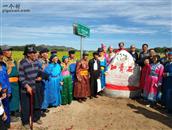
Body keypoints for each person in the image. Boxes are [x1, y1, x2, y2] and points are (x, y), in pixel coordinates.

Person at [19, 45, 43, 129]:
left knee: (35, 104)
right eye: (31, 53)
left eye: (34, 52)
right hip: (25, 89)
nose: (33, 54)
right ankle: (25, 122)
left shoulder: (36, 62)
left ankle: (35, 118)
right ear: (27, 54)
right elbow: (21, 77)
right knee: (26, 107)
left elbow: (40, 71)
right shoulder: (23, 63)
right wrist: (27, 86)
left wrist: (41, 77)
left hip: (35, 88)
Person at [2, 46, 20, 122]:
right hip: (8, 83)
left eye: (10, 51)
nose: (10, 52)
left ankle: (14, 112)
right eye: (8, 51)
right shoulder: (2, 62)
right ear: (3, 52)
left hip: (16, 83)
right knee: (9, 100)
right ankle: (9, 115)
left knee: (15, 98)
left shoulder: (13, 61)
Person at [0, 48, 11, 129]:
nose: (1, 57)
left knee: (6, 108)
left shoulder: (3, 65)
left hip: (6, 91)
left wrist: (9, 90)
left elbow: (7, 79)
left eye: (1, 55)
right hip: (0, 93)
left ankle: (7, 124)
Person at [38, 48, 50, 116]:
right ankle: (40, 109)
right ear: (42, 54)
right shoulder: (39, 61)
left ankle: (44, 107)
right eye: (46, 53)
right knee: (42, 94)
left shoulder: (46, 61)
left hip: (46, 80)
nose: (47, 54)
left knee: (46, 94)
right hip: (42, 80)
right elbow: (41, 71)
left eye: (48, 53)